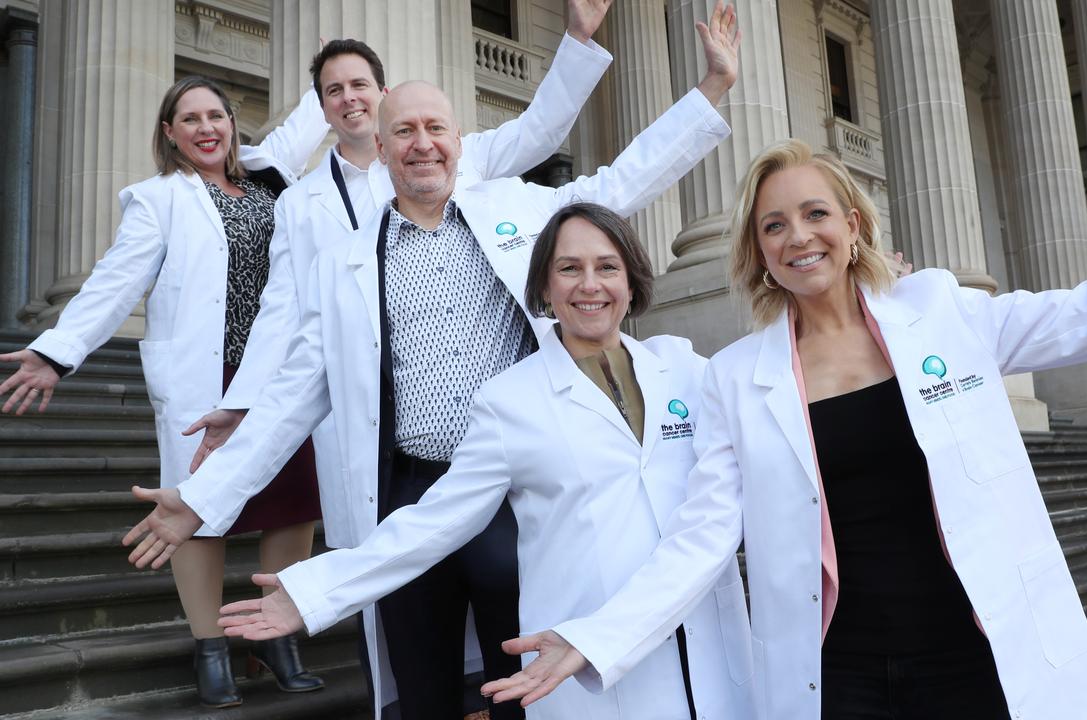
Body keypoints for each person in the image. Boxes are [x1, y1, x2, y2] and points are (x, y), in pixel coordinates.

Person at [471, 90, 1087, 720]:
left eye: (816, 214)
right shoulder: (737, 378)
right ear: (760, 252)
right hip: (839, 672)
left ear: (853, 226)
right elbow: (701, 540)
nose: (799, 237)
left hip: (975, 649)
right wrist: (595, 639)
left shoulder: (946, 314)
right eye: (774, 225)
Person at [122, 4, 742, 718]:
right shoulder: (346, 265)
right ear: (380, 148)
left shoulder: (514, 215)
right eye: (405, 133)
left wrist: (712, 91)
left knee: (527, 677)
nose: (423, 145)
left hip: (515, 496)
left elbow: (618, 183)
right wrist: (203, 497)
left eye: (436, 129)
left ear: (458, 140)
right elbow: (294, 397)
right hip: (408, 495)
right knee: (421, 684)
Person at [211, 202, 754, 719]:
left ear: (631, 281)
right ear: (543, 284)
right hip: (576, 652)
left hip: (705, 643)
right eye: (569, 268)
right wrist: (315, 592)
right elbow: (435, 521)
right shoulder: (509, 400)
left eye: (606, 267)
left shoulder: (685, 368)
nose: (590, 285)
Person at [0, 76, 330, 707]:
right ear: (169, 133)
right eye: (190, 119)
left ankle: (274, 634)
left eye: (216, 116)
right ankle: (210, 646)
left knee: (294, 508)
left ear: (233, 123)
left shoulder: (268, 178)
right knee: (197, 512)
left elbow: (318, 110)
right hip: (205, 380)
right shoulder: (158, 200)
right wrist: (55, 352)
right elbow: (113, 282)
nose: (206, 128)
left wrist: (335, 72)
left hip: (280, 378)